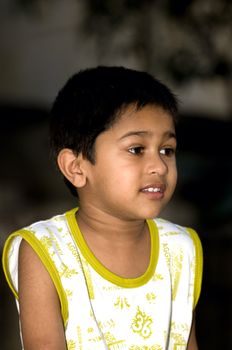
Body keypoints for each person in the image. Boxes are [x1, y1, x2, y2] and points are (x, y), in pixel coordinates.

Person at [2, 66, 203, 350]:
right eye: (136, 149)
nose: (159, 166)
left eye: (167, 150)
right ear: (76, 167)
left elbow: (186, 341)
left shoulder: (181, 248)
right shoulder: (45, 250)